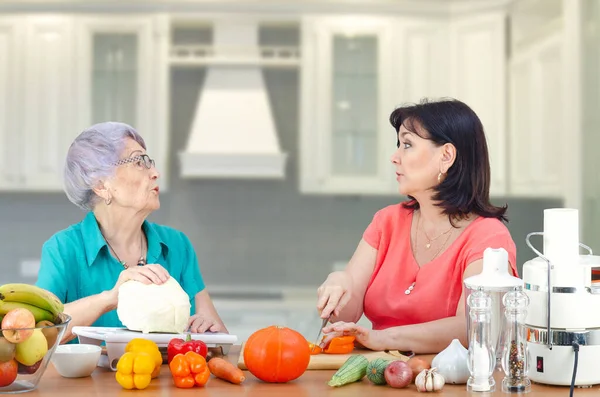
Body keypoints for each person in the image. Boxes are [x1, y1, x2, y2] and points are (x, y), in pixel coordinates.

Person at [316, 99, 518, 354]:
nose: (394, 157)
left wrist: (385, 338)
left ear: (446, 156)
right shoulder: (386, 221)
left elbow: (472, 327)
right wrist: (339, 283)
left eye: (407, 144)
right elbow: (348, 314)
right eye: (398, 145)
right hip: (380, 377)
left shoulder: (488, 238)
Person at [36, 122, 227, 343]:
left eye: (150, 162)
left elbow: (221, 343)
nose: (155, 173)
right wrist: (110, 298)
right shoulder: (62, 249)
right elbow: (39, 335)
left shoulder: (177, 245)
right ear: (101, 185)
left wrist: (211, 333)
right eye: (139, 162)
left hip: (165, 377)